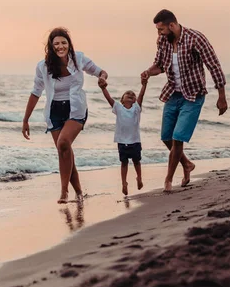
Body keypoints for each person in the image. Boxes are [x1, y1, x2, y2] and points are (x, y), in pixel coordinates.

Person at [140, 9, 228, 192]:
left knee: (178, 137)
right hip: (173, 94)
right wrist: (148, 72)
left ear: (172, 25)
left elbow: (214, 66)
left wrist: (222, 96)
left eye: (161, 29)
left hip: (193, 95)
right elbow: (159, 66)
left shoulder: (196, 38)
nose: (159, 34)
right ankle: (187, 164)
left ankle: (168, 180)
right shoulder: (163, 41)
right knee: (166, 137)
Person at [22, 27, 108, 204]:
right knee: (64, 151)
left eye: (63, 42)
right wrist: (25, 119)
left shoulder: (79, 58)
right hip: (54, 112)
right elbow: (36, 92)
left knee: (63, 143)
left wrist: (102, 78)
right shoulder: (43, 66)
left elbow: (100, 71)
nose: (60, 46)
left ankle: (64, 191)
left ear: (69, 43)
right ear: (51, 47)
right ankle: (78, 193)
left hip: (75, 109)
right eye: (56, 44)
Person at [98, 76, 147, 195]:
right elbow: (109, 98)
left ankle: (139, 178)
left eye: (132, 94)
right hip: (122, 141)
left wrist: (144, 85)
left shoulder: (136, 108)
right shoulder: (118, 108)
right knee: (124, 163)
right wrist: (103, 88)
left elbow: (141, 96)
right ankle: (124, 183)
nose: (130, 94)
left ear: (135, 100)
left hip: (135, 141)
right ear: (122, 100)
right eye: (127, 94)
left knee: (137, 162)